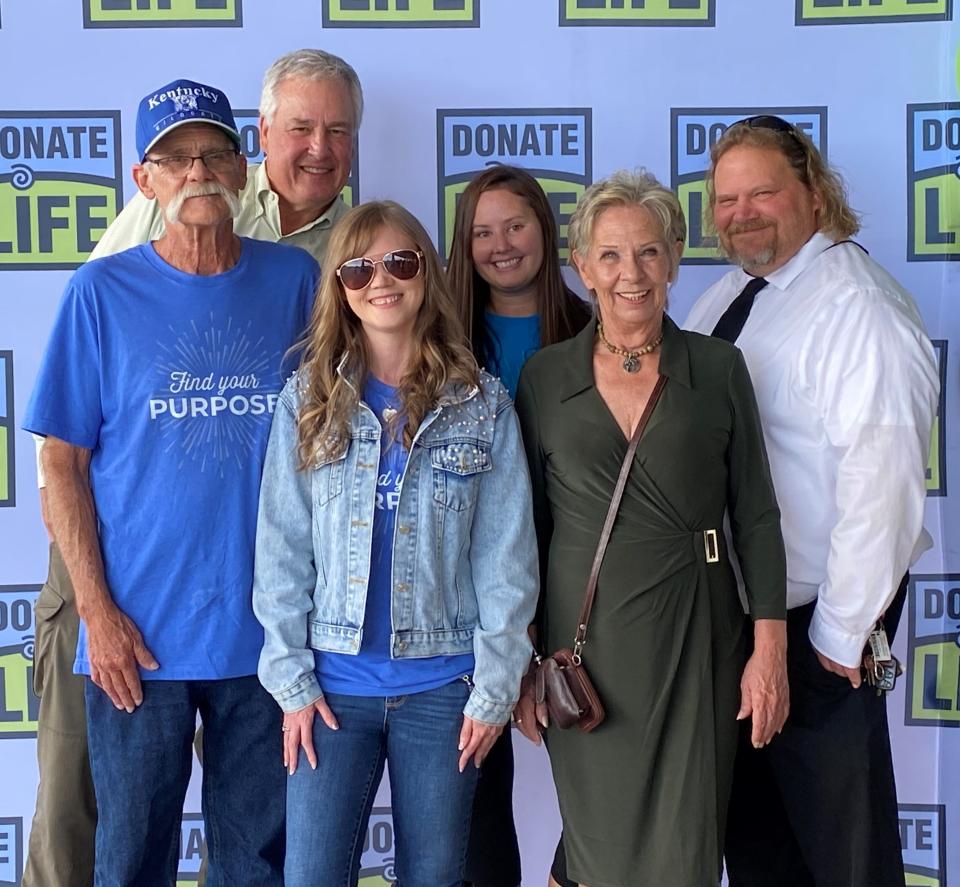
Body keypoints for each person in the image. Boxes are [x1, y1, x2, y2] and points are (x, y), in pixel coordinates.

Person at [23, 47, 360, 886]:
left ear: (243, 168)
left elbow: (344, 429)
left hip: (265, 643)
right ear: (144, 177)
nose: (197, 172)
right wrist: (96, 613)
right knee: (128, 858)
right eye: (175, 157)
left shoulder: (296, 280)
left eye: (213, 153)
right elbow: (60, 462)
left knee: (256, 864)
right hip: (136, 642)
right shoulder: (99, 293)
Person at [513, 169, 789, 887]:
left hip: (698, 639)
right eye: (610, 255)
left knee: (685, 845)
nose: (630, 273)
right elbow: (521, 534)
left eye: (648, 252)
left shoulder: (719, 367)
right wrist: (519, 656)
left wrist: (769, 652)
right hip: (586, 646)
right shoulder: (544, 378)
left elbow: (756, 515)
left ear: (673, 257)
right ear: (582, 267)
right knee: (595, 847)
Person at [252, 200, 539, 887]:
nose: (381, 279)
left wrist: (494, 690)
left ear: (427, 274)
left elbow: (507, 561)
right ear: (341, 290)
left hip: (444, 690)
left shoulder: (482, 403)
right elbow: (282, 552)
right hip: (330, 689)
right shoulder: (307, 400)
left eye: (400, 261)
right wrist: (291, 683)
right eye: (358, 268)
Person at [685, 115, 939, 887]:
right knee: (764, 850)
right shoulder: (732, 294)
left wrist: (837, 636)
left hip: (819, 623)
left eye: (763, 192)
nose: (741, 213)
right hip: (750, 627)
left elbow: (885, 478)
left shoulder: (855, 306)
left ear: (816, 193)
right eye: (726, 199)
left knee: (844, 856)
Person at [445, 163, 590, 887]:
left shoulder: (599, 328)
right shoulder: (436, 338)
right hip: (472, 599)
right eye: (482, 231)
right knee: (472, 800)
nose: (502, 244)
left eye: (516, 225)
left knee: (600, 784)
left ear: (545, 229)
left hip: (582, 591)